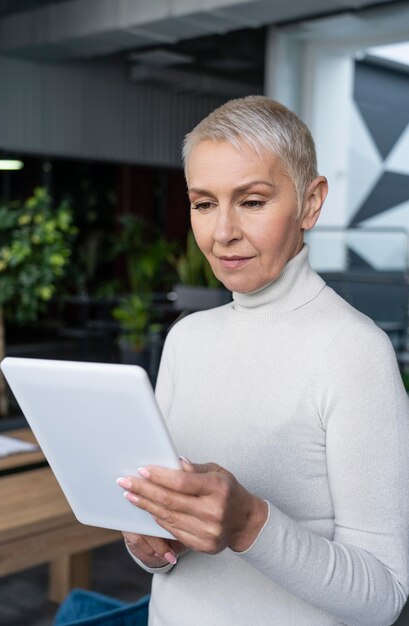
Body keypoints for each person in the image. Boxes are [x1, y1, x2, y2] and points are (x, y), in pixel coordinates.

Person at [116, 96, 409, 625]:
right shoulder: (186, 339)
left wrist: (249, 523)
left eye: (251, 201)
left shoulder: (354, 352)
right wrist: (148, 543)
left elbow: (385, 596)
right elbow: (164, 555)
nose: (222, 231)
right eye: (204, 204)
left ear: (311, 203)